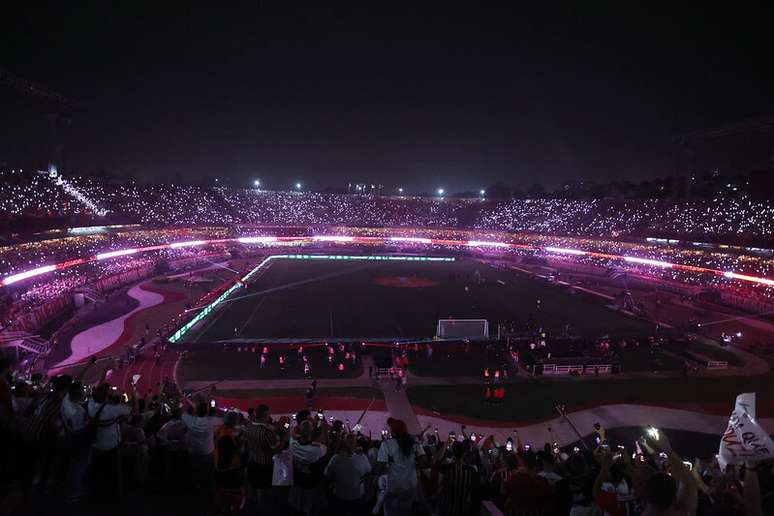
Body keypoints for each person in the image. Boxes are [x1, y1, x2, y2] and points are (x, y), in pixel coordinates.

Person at [87, 383, 136, 500]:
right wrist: (132, 390)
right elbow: (132, 408)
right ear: (106, 398)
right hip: (112, 447)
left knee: (97, 472)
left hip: (95, 445)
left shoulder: (90, 405)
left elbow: (95, 395)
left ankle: (94, 494)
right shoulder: (112, 410)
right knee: (115, 472)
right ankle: (116, 496)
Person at [377, 417, 427, 516]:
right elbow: (424, 462)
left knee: (390, 512)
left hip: (394, 486)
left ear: (393, 431)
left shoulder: (387, 444)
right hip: (410, 484)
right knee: (406, 511)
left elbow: (380, 466)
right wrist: (412, 463)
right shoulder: (414, 442)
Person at [324, 434, 371, 515]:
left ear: (344, 444)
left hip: (340, 495)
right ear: (356, 444)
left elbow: (327, 474)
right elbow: (368, 472)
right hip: (357, 495)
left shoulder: (335, 458)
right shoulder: (362, 458)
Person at [289, 419, 327, 516]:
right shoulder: (317, 449)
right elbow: (325, 444)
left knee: (296, 506)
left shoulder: (292, 444)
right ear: (312, 432)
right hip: (310, 483)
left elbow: (293, 435)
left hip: (296, 480)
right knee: (307, 508)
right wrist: (323, 428)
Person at [182, 401, 222, 491]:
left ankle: (196, 486)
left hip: (193, 451)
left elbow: (181, 411)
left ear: (196, 411)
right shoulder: (211, 422)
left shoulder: (190, 420)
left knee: (195, 470)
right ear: (207, 412)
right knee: (208, 472)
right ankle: (207, 487)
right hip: (207, 452)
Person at [245, 404, 281, 505]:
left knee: (254, 487)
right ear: (266, 414)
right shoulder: (266, 431)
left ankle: (252, 506)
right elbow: (277, 449)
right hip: (265, 465)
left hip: (252, 462)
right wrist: (285, 436)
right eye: (269, 413)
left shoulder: (249, 426)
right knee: (263, 490)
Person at [435, 440, 479, 516]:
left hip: (448, 510)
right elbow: (474, 494)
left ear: (452, 452)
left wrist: (445, 444)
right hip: (464, 511)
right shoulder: (472, 471)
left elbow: (437, 462)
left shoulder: (447, 468)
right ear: (464, 453)